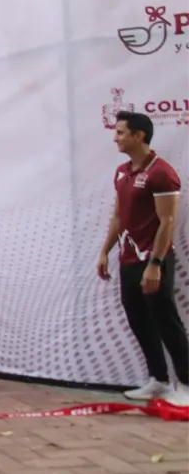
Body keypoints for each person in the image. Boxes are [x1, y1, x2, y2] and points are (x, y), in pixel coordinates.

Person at [98, 111, 189, 405]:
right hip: (128, 259)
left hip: (153, 260)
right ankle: (159, 380)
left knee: (166, 321)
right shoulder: (122, 172)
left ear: (139, 136)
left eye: (121, 132)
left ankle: (186, 385)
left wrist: (155, 264)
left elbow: (168, 222)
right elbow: (117, 216)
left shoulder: (161, 172)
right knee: (138, 318)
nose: (115, 137)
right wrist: (104, 251)